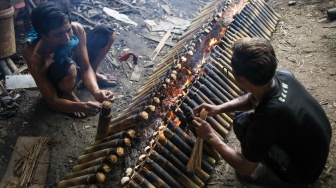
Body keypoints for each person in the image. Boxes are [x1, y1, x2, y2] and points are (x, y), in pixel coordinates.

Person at [193, 37, 331, 187]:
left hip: (304, 172)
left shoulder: (268, 116)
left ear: (241, 78)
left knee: (243, 124)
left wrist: (210, 136)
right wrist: (219, 108)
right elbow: (252, 99)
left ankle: (274, 176)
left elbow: (245, 167)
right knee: (243, 118)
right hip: (315, 149)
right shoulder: (283, 76)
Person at [24, 2, 117, 118]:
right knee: (68, 67)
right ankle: (67, 93)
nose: (67, 39)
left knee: (107, 33)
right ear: (44, 35)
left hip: (72, 62)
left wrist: (96, 91)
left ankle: (91, 77)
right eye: (58, 35)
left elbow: (85, 66)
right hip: (57, 74)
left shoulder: (76, 29)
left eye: (68, 30)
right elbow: (51, 100)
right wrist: (79, 106)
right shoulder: (36, 57)